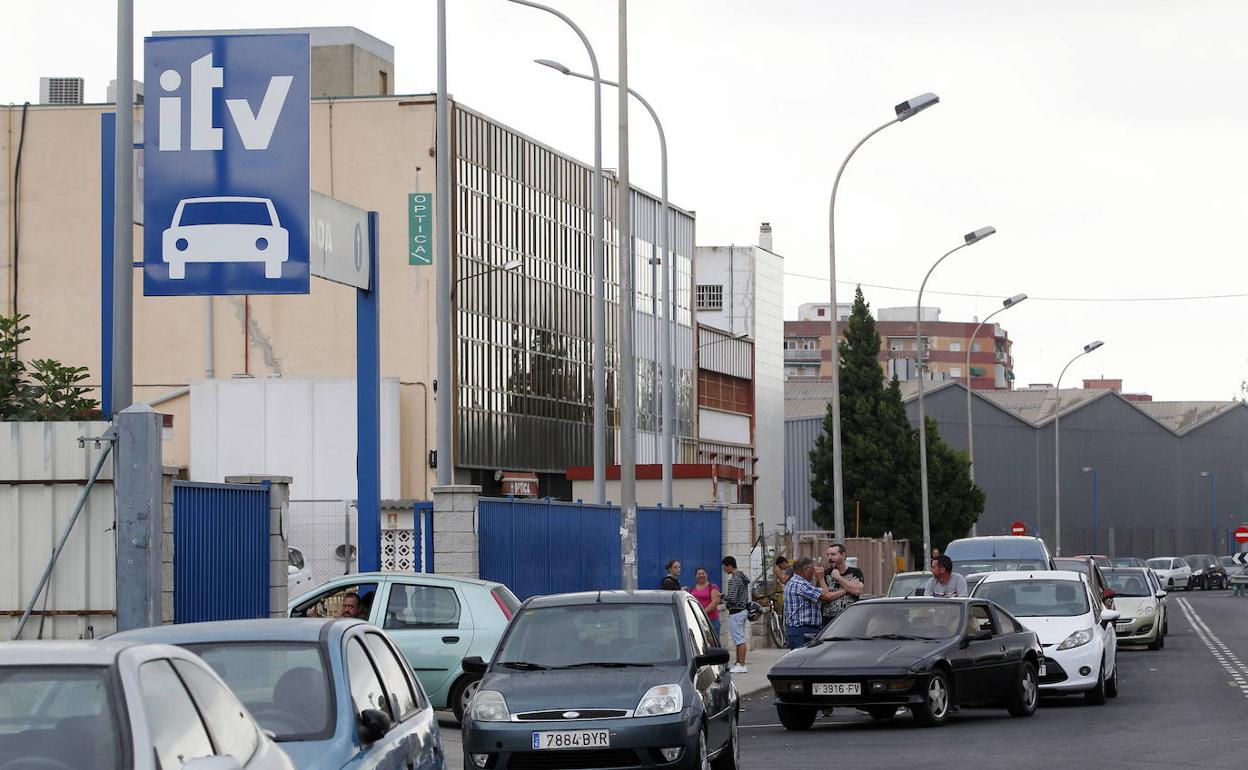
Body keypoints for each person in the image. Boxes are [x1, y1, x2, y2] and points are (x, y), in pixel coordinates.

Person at [783, 557, 838, 649]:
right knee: (804, 660)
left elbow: (816, 593)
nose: (814, 572)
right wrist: (821, 578)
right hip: (802, 630)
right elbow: (826, 596)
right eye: (813, 569)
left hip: (798, 630)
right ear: (806, 570)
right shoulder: (800, 584)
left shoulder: (795, 582)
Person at [820, 543, 865, 624]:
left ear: (843, 555)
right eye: (828, 555)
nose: (830, 558)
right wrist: (847, 589)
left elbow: (857, 590)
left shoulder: (855, 572)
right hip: (829, 620)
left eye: (833, 554)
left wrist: (838, 578)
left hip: (850, 617)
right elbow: (824, 596)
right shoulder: (824, 573)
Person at [722, 556, 751, 673]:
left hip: (736, 612)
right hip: (743, 610)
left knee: (739, 639)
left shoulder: (734, 579)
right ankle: (740, 663)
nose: (724, 569)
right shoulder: (742, 577)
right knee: (741, 638)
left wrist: (723, 596)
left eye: (724, 566)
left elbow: (732, 598)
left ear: (729, 566)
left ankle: (741, 664)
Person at [688, 567, 723, 643]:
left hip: (711, 620)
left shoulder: (712, 587)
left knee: (713, 642)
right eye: (699, 574)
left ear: (706, 575)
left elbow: (715, 602)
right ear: (696, 576)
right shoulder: (692, 588)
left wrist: (702, 613)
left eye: (703, 573)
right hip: (697, 620)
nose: (701, 575)